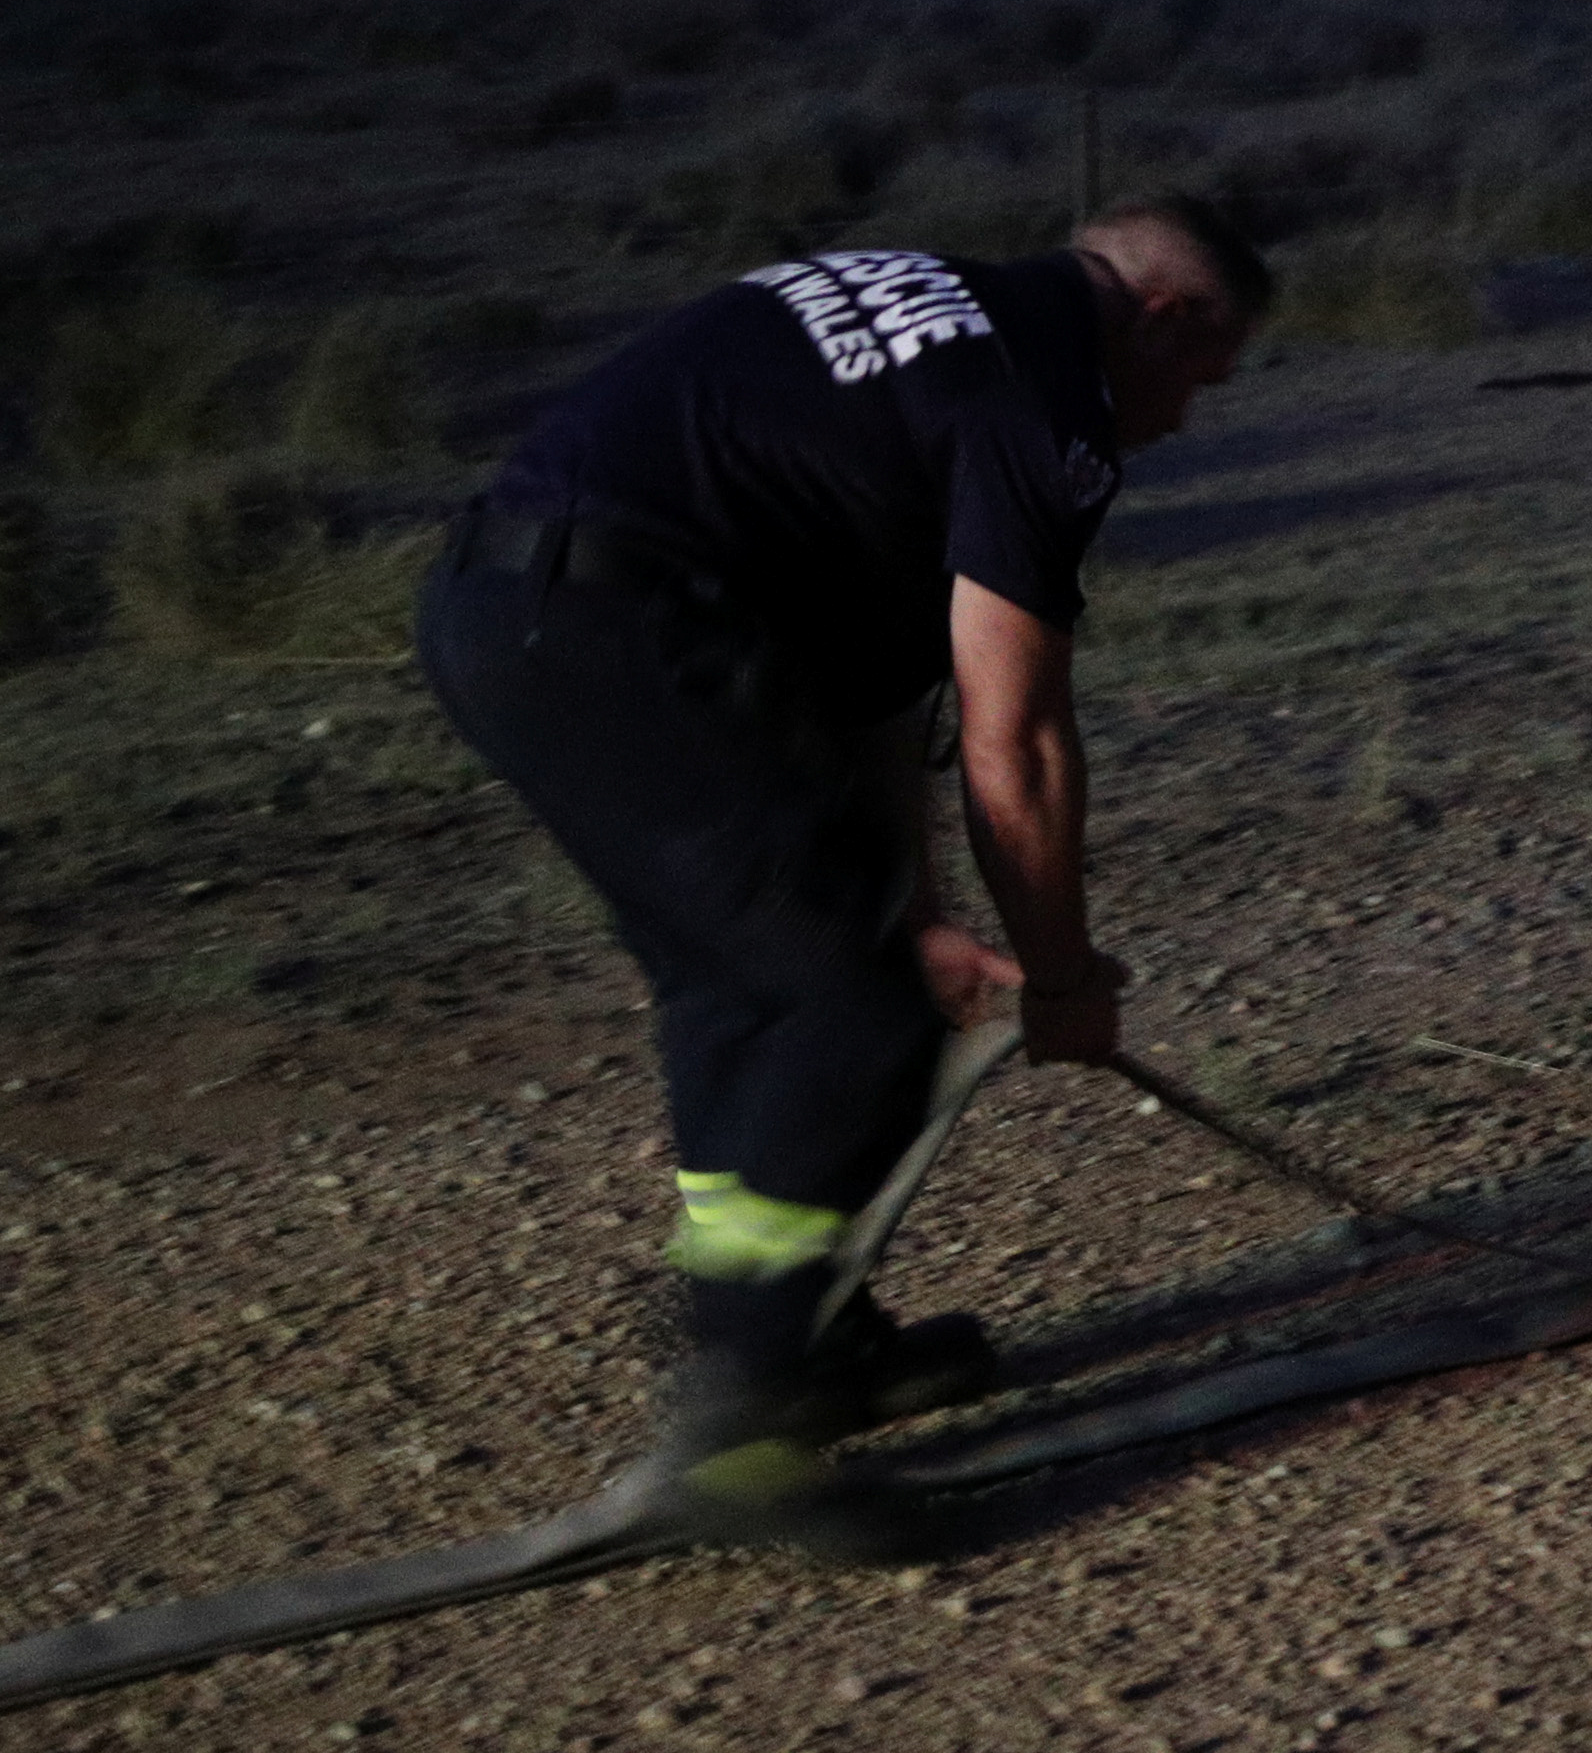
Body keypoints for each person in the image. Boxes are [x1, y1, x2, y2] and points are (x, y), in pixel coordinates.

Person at [413, 199, 1269, 1517]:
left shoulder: (922, 305)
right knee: (849, 1017)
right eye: (1197, 378)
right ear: (1163, 316)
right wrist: (1061, 978)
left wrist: (913, 909)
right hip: (623, 625)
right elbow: (1018, 740)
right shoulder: (1041, 400)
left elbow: (876, 696)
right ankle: (742, 1432)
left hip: (502, 610)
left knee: (745, 990)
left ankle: (800, 1336)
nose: (1180, 420)